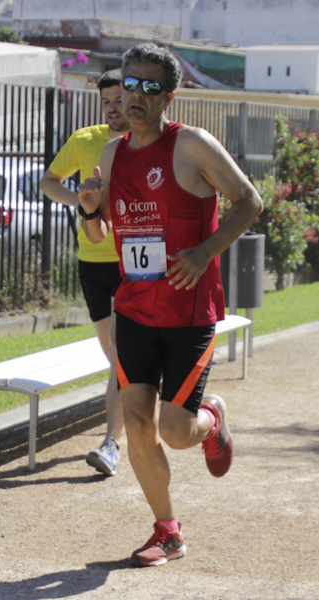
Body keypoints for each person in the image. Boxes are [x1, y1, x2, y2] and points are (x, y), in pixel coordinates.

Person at [77, 42, 263, 567]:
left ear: (169, 96)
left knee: (177, 433)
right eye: (128, 84)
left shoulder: (192, 146)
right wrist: (90, 212)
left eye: (148, 87)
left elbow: (250, 200)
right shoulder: (111, 155)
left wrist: (206, 251)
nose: (134, 95)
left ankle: (212, 418)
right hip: (134, 307)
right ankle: (168, 531)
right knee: (138, 422)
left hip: (188, 313)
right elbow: (100, 228)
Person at [39, 70, 129, 476]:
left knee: (122, 358)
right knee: (113, 354)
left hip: (133, 261)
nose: (113, 106)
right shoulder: (85, 139)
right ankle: (140, 405)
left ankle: (112, 442)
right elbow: (48, 182)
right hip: (92, 260)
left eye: (119, 98)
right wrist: (79, 203)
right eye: (107, 99)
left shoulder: (145, 140)